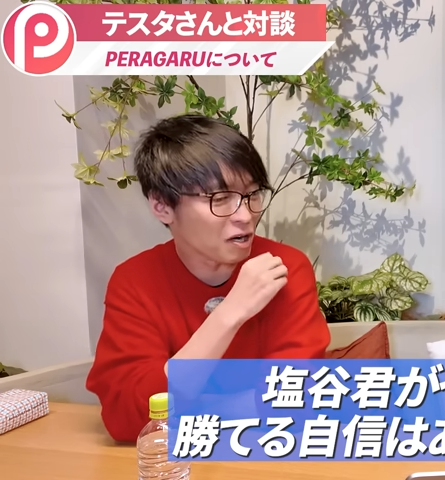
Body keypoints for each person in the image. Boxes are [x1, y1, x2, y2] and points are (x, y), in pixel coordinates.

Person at [86, 114, 331, 443]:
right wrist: (230, 314)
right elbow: (127, 418)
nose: (245, 215)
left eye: (251, 194)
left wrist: (187, 406)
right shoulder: (134, 281)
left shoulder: (284, 267)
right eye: (220, 199)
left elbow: (293, 403)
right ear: (162, 205)